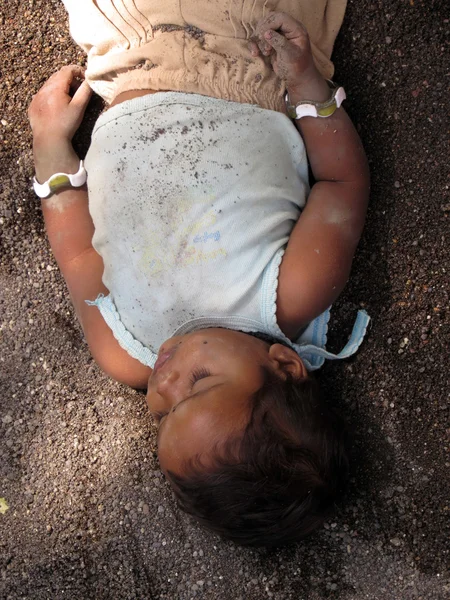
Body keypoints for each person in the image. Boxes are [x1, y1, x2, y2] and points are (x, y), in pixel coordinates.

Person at [28, 0, 370, 547]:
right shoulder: (289, 294)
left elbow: (77, 257)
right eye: (199, 385)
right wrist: (307, 84)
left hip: (129, 52)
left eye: (163, 416)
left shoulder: (126, 351)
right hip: (244, 56)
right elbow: (341, 184)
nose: (164, 382)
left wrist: (50, 148)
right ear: (283, 363)